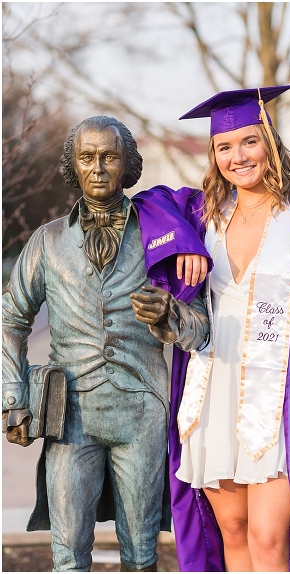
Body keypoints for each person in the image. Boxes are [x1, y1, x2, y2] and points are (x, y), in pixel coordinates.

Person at [135, 85, 290, 572]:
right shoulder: (201, 216)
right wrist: (184, 242)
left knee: (270, 538)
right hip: (211, 393)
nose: (238, 156)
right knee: (232, 530)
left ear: (270, 143)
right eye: (224, 147)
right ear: (213, 156)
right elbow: (147, 202)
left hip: (278, 404)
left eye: (249, 141)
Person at [1, 116, 209, 572]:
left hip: (142, 413)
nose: (97, 168)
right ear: (73, 165)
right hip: (70, 415)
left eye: (110, 157)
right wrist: (13, 399)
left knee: (142, 552)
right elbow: (10, 318)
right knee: (68, 553)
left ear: (128, 166)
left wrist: (171, 316)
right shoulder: (48, 241)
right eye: (87, 157)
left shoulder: (163, 236)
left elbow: (202, 330)